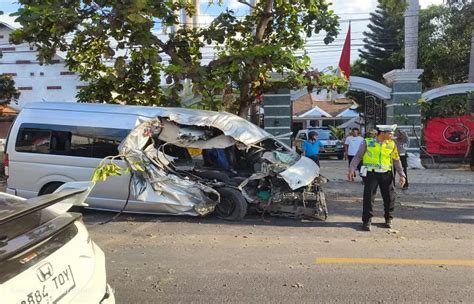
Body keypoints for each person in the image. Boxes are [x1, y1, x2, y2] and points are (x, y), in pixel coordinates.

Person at [347, 125, 406, 231]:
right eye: (390, 133)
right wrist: (351, 170)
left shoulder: (391, 144)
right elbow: (358, 157)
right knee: (369, 198)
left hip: (386, 174)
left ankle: (389, 219)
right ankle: (367, 221)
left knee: (390, 197)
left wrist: (402, 175)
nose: (392, 135)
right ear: (382, 133)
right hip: (371, 174)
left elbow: (396, 160)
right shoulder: (367, 142)